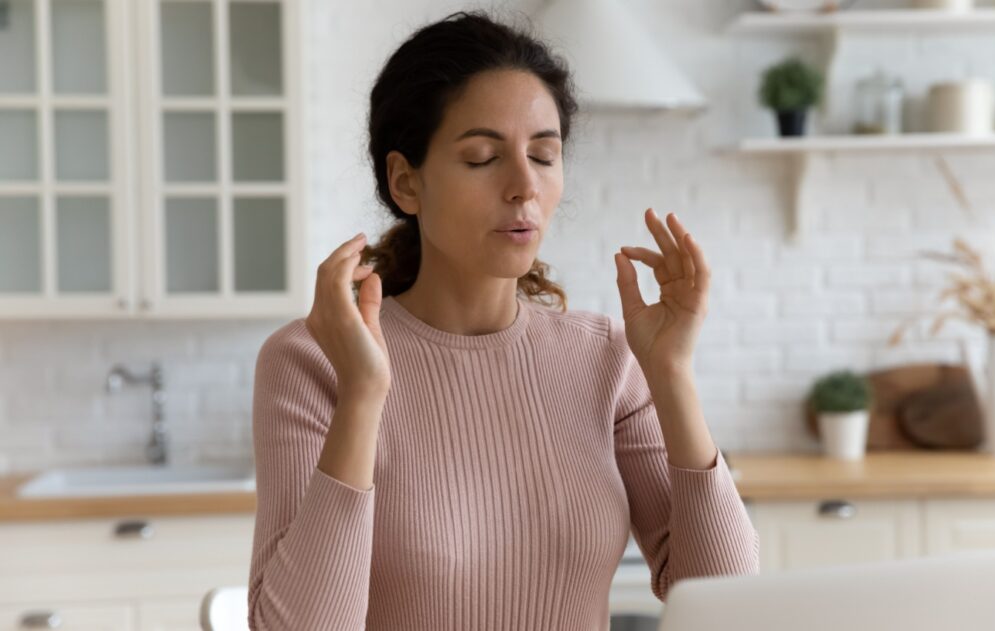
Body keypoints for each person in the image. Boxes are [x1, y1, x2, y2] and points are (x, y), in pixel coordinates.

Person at [246, 10, 758, 630]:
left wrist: (671, 375)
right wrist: (362, 394)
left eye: (544, 156)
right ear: (406, 183)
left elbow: (727, 605)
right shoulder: (314, 361)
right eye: (483, 158)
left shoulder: (606, 360)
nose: (523, 186)